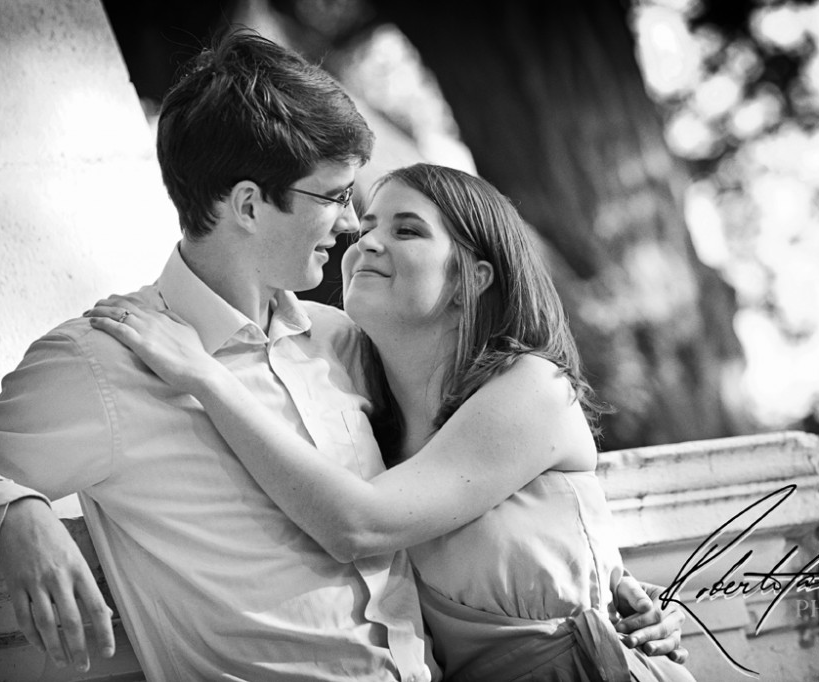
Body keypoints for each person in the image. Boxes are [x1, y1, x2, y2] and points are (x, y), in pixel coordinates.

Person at [0, 32, 682, 681]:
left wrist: (598, 591)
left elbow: (424, 504)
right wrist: (16, 515)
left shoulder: (348, 344)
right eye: (339, 199)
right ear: (248, 205)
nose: (350, 229)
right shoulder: (106, 360)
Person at [86, 163, 695, 681]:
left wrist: (203, 377)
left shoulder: (532, 388)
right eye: (367, 225)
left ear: (473, 279)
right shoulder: (359, 416)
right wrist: (17, 505)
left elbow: (359, 526)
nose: (366, 241)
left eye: (406, 230)